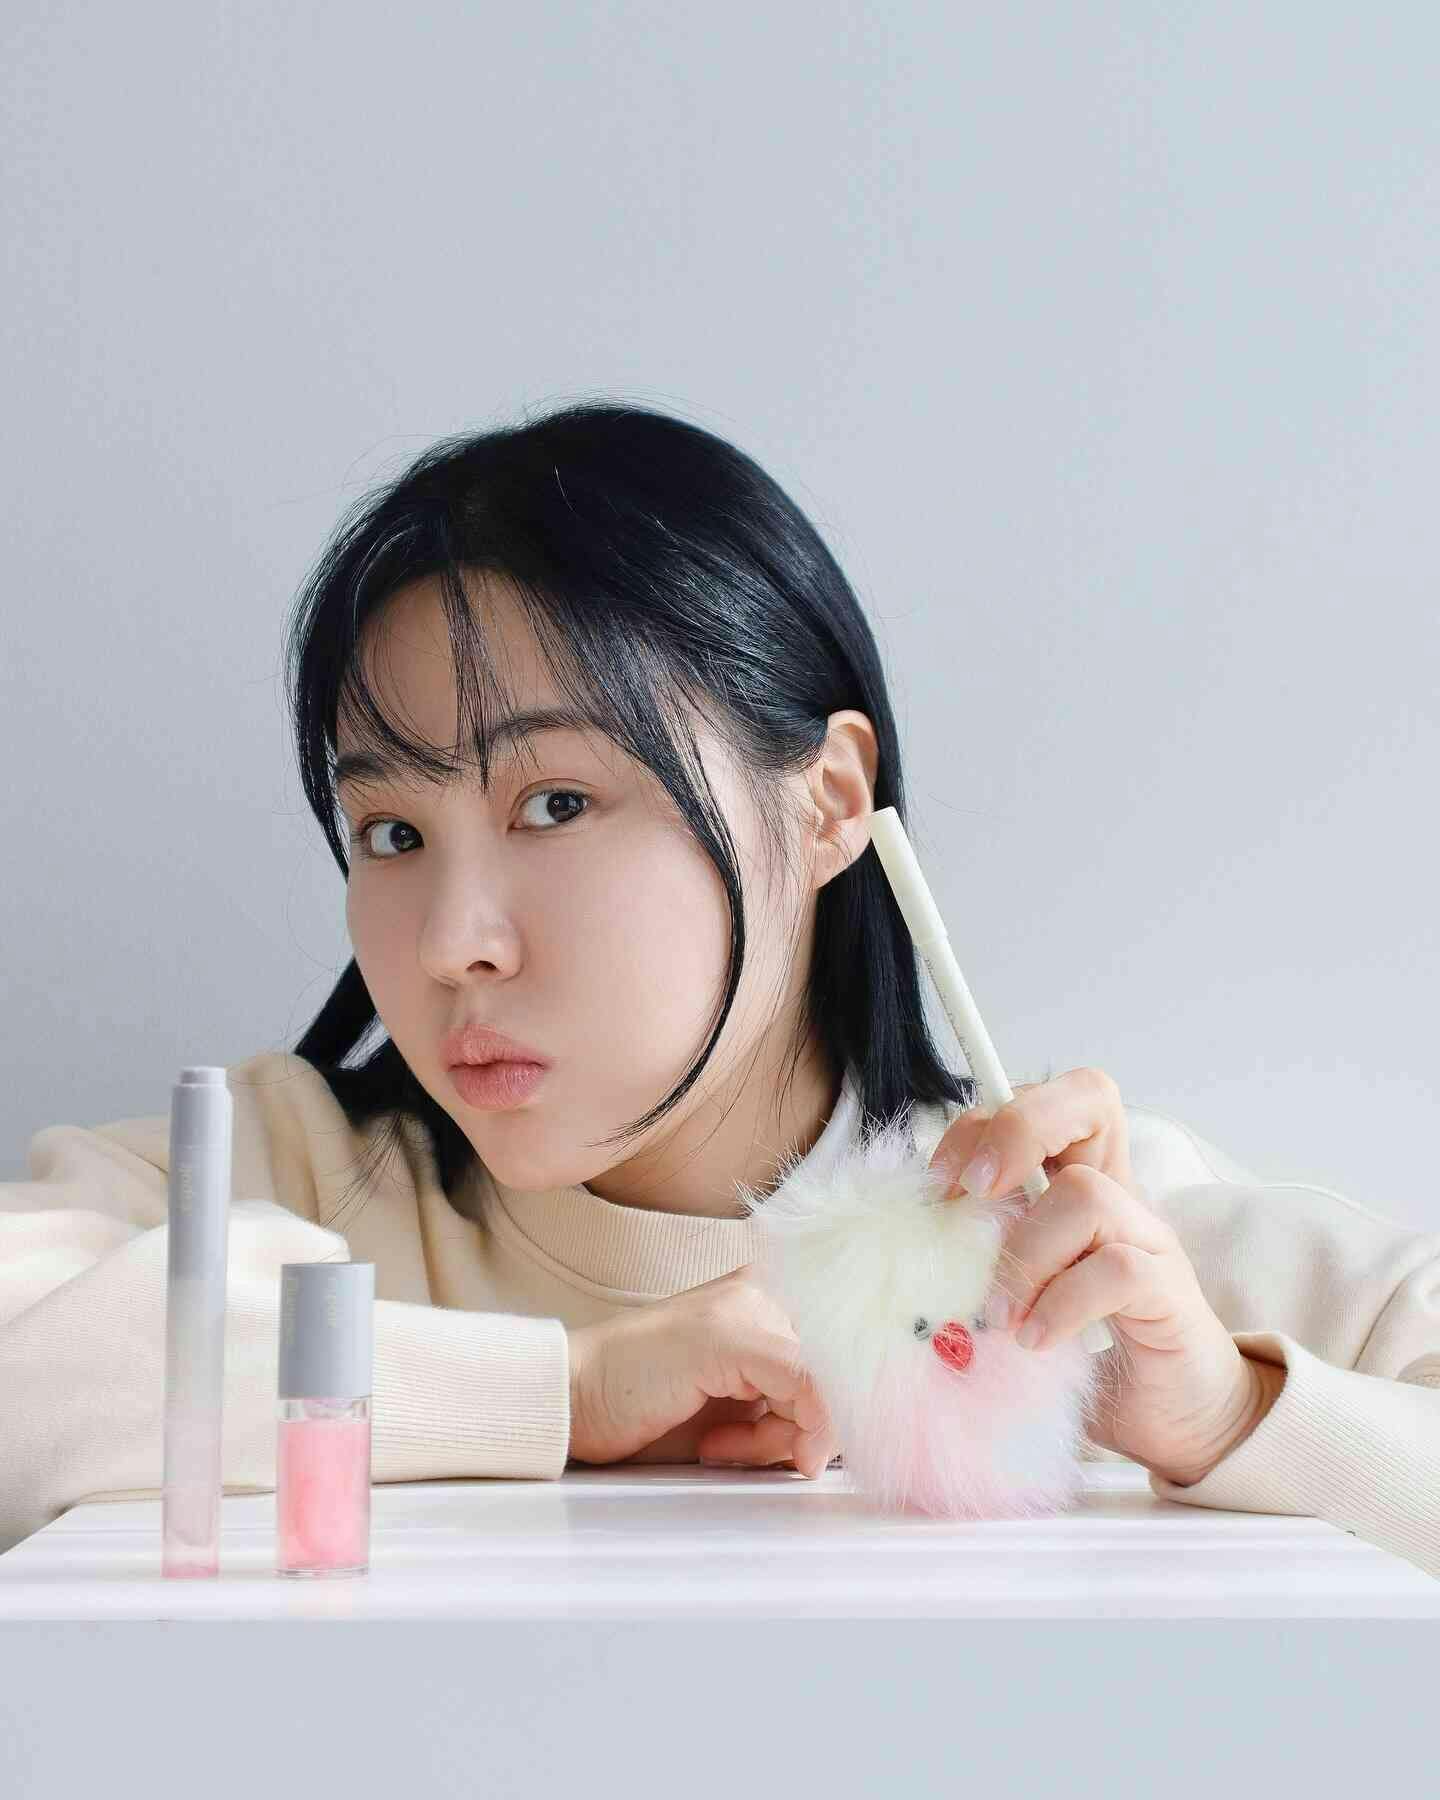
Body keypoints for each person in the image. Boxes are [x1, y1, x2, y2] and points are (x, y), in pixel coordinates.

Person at [2, 401, 1437, 1577]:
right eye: (390, 833)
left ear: (828, 803)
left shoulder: (1082, 1245)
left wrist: (1228, 1414)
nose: (450, 944)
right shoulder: (282, 1176)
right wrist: (568, 1389)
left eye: (557, 803)